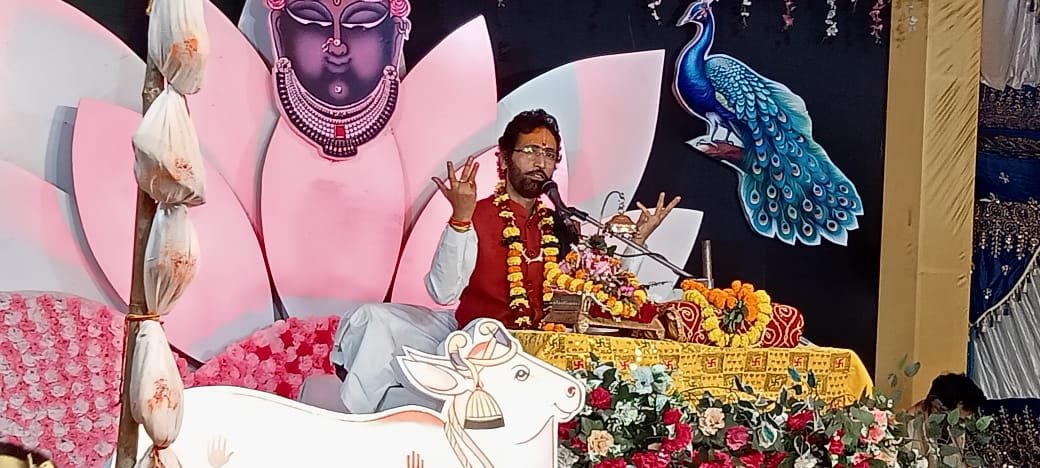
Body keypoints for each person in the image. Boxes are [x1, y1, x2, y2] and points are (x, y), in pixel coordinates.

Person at [330, 109, 681, 413]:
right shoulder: (477, 215)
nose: (540, 162)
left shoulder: (561, 225)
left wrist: (637, 241)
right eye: (530, 151)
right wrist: (461, 219)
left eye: (549, 154)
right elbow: (443, 291)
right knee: (377, 320)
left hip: (544, 352)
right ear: (503, 159)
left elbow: (603, 293)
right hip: (479, 345)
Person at [907, 373, 987, 467]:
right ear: (936, 407)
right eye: (959, 420)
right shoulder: (907, 427)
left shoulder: (956, 431)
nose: (960, 425)